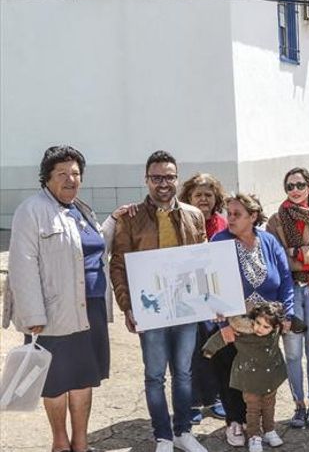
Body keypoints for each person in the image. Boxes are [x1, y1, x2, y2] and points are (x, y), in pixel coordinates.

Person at [4, 146, 130, 452]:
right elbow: (22, 264)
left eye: (75, 173)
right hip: (52, 313)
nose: (70, 179)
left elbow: (94, 244)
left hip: (91, 309)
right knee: (56, 381)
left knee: (84, 378)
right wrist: (33, 314)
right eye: (62, 174)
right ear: (47, 178)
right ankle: (60, 443)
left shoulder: (81, 209)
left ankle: (81, 443)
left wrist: (113, 220)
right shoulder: (31, 210)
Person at [109, 150, 208, 452]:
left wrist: (209, 300)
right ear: (147, 180)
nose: (163, 183)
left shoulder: (194, 215)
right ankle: (162, 436)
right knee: (154, 376)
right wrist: (127, 305)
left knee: (184, 373)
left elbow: (202, 260)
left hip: (186, 308)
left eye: (168, 177)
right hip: (150, 309)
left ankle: (183, 432)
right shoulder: (131, 218)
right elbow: (118, 265)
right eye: (156, 178)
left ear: (177, 179)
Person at [210, 193, 299, 446]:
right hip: (234, 325)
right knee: (232, 374)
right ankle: (235, 422)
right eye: (229, 213)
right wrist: (223, 325)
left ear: (253, 217)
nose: (231, 218)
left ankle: (264, 427)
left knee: (261, 376)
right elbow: (212, 286)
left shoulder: (269, 242)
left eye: (238, 214)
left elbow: (285, 282)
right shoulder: (219, 241)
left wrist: (287, 316)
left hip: (265, 327)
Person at [266, 168, 309, 429]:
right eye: (289, 186)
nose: (294, 190)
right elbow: (275, 258)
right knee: (293, 354)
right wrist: (305, 256)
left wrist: (296, 253)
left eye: (299, 185)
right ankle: (299, 407)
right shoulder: (275, 221)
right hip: (289, 292)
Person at [203, 302, 288, 452]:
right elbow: (221, 338)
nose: (259, 329)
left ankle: (269, 430)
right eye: (257, 323)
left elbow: (292, 322)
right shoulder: (244, 333)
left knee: (269, 405)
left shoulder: (275, 332)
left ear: (275, 328)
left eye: (265, 327)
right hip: (249, 378)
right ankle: (254, 435)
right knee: (253, 408)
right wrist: (209, 350)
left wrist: (295, 321)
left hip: (270, 378)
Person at [179, 172, 228, 423]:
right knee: (191, 350)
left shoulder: (223, 223)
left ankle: (218, 398)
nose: (203, 199)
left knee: (217, 346)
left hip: (217, 294)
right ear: (188, 197)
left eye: (209, 195)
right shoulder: (180, 220)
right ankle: (194, 403)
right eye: (198, 195)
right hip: (188, 294)